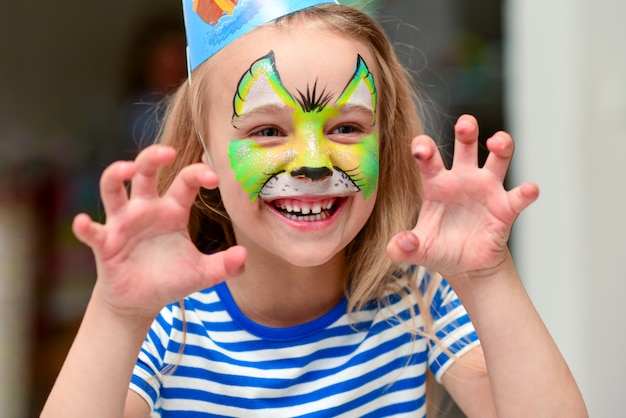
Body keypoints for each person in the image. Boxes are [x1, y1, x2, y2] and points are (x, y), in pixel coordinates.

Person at [41, 1, 588, 417]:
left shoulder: (414, 297)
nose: (311, 163)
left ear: (384, 139)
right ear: (203, 149)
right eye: (267, 130)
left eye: (346, 128)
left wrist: (488, 277)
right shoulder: (173, 322)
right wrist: (117, 317)